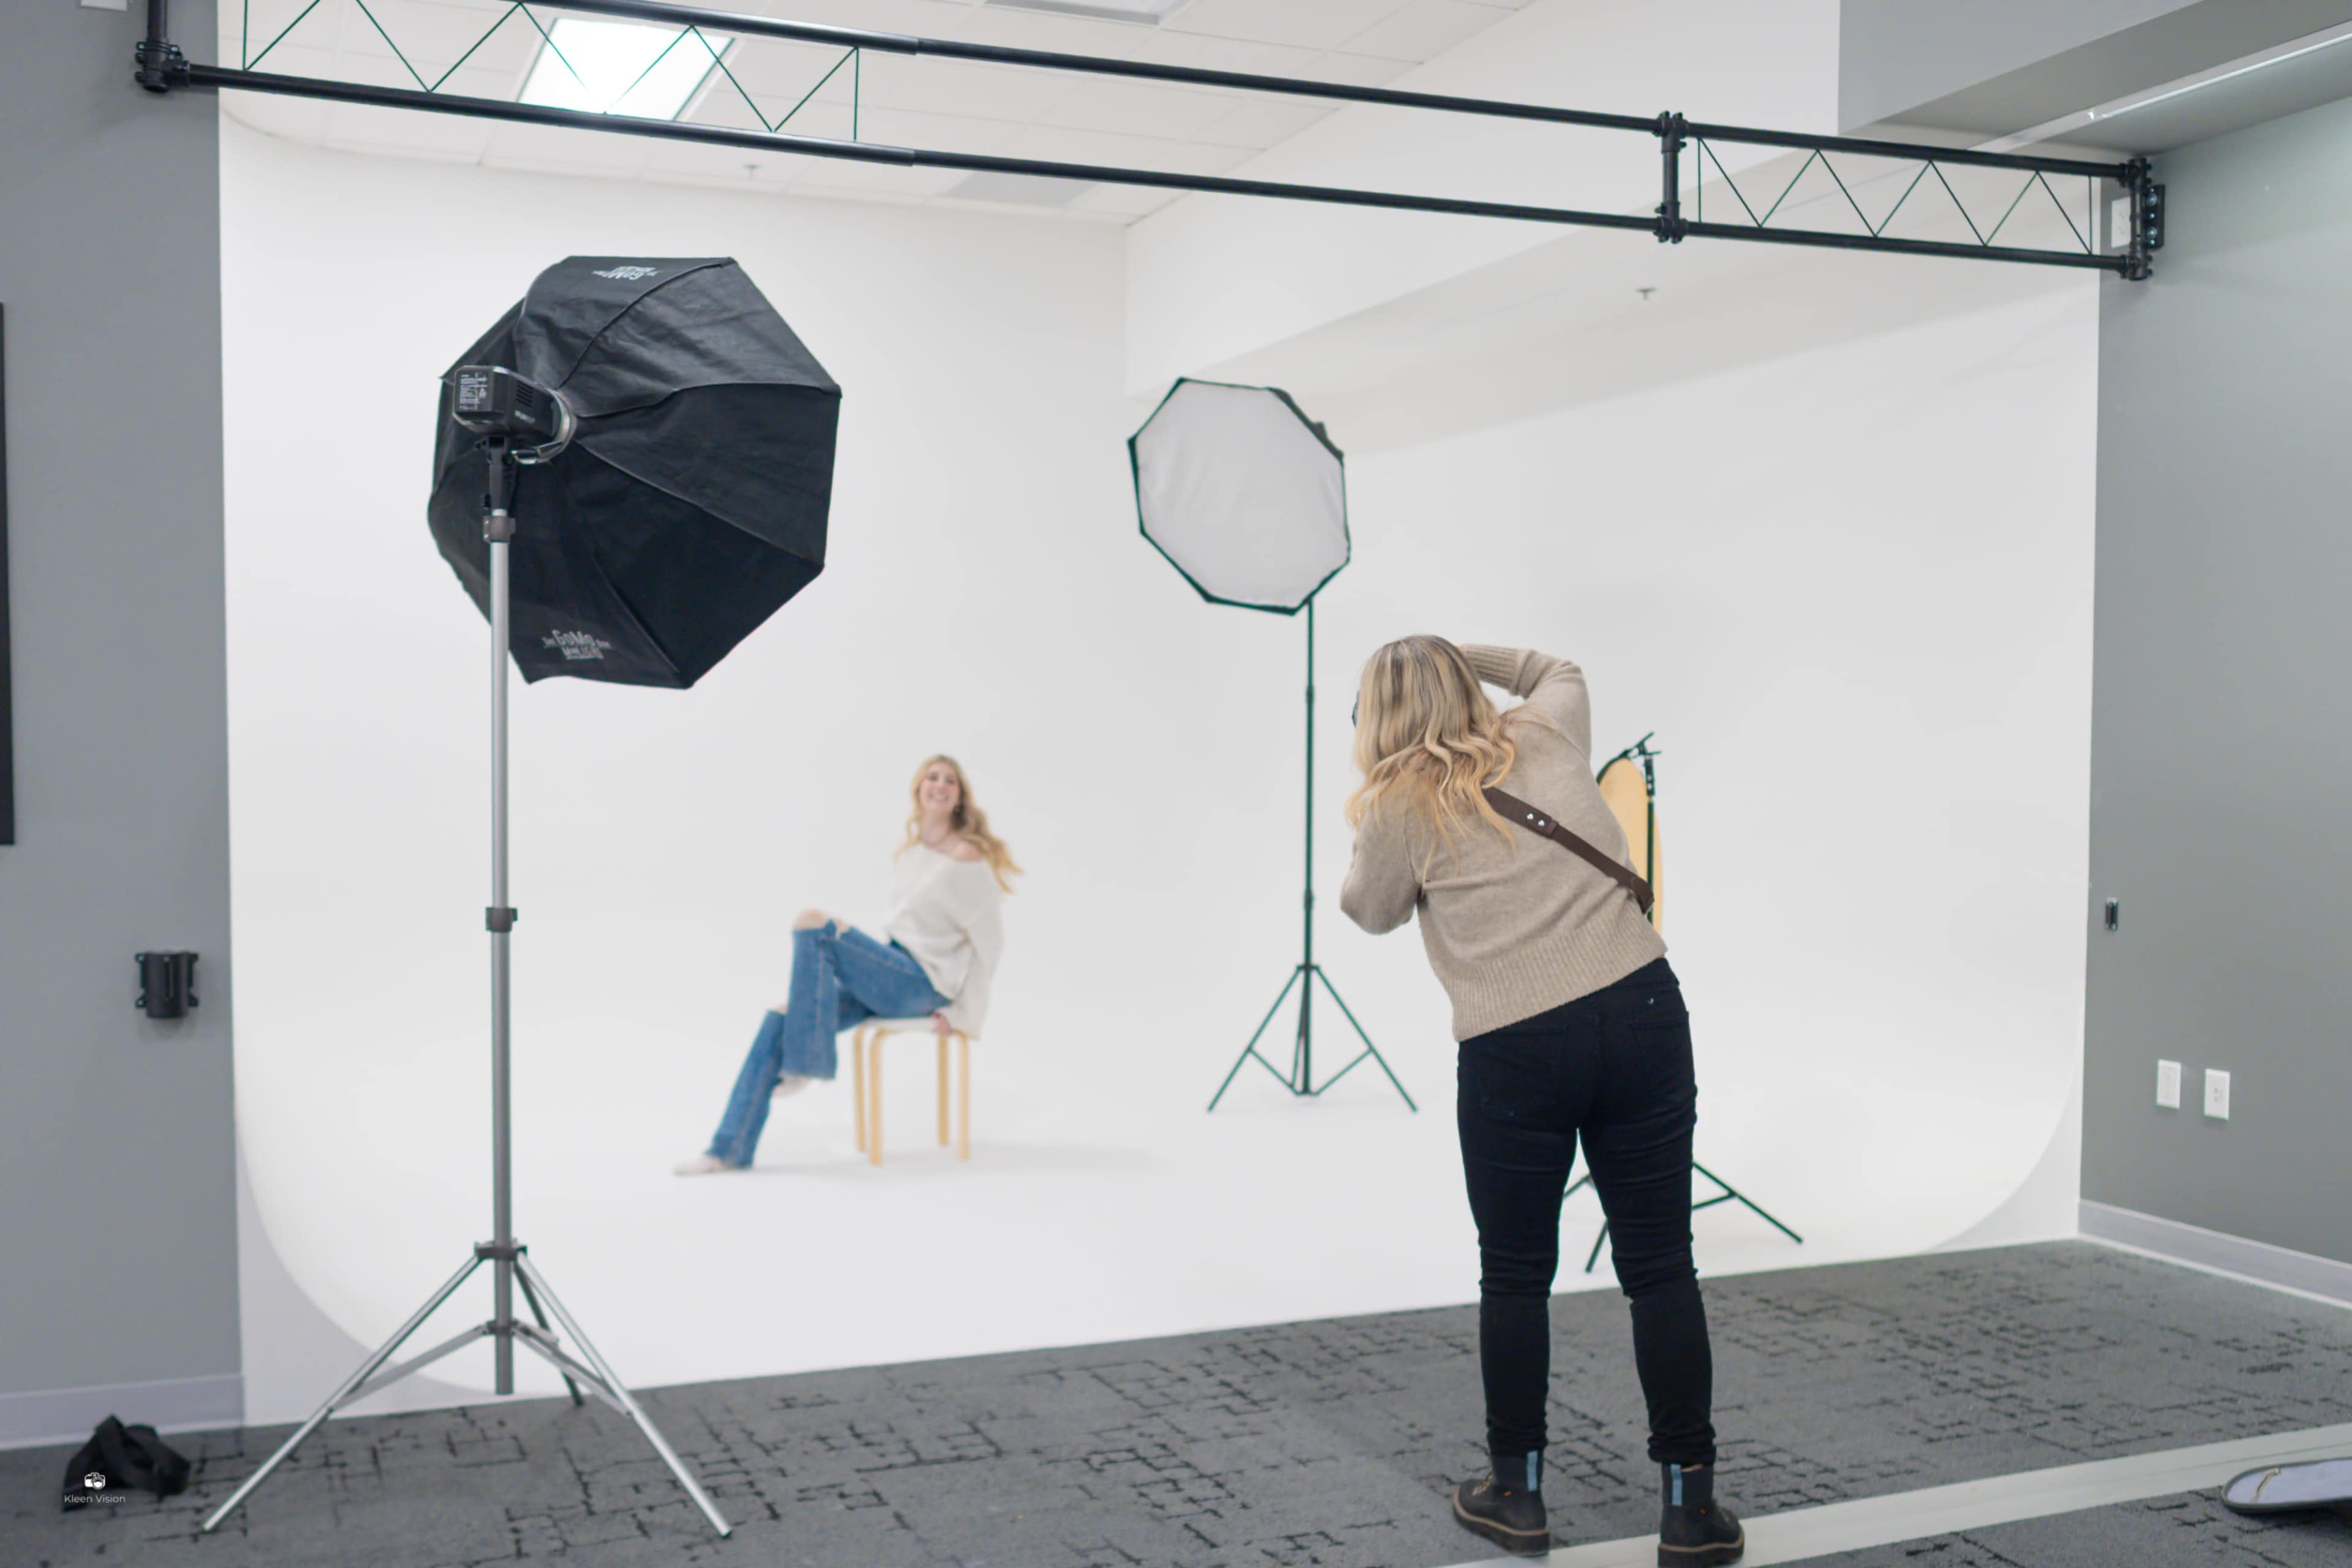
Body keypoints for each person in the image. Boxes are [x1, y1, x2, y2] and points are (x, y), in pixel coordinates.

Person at [1340, 638, 1742, 1564]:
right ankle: (1690, 1508)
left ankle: (1515, 1495)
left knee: (1516, 1273)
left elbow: (1369, 910)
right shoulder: (1544, 733)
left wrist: (1398, 754)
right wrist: (1447, 646)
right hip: (1642, 1011)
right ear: (1462, 685)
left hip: (1516, 1046)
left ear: (1378, 715)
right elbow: (1558, 665)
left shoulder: (1400, 804)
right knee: (1660, 1265)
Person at [676, 755, 1017, 1174]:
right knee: (780, 1016)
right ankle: (728, 1149)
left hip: (923, 984)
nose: (940, 786)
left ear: (960, 796)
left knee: (814, 924)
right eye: (932, 777)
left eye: (950, 781)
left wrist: (965, 1014)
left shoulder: (966, 857)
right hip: (892, 971)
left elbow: (992, 944)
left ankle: (805, 1063)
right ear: (918, 788)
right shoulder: (911, 853)